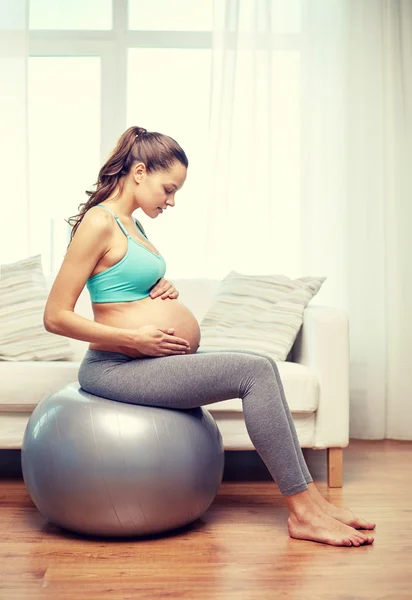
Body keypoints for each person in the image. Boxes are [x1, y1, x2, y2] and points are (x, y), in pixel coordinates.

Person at [44, 126, 375, 547]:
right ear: (140, 172)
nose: (172, 200)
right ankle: (304, 513)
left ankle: (313, 501)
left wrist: (159, 289)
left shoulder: (134, 226)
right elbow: (55, 316)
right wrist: (135, 340)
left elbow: (120, 291)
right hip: (115, 366)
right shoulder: (99, 221)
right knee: (252, 372)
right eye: (168, 188)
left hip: (147, 360)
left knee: (262, 368)